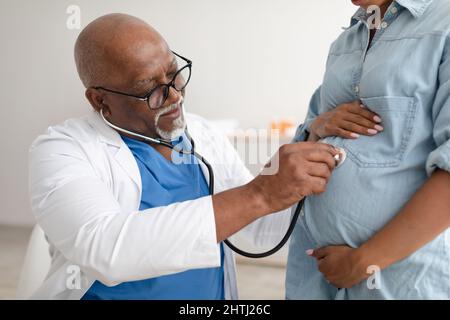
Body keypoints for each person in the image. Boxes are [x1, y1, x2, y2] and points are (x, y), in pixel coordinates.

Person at [29, 13, 339, 300]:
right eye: (149, 88)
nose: (175, 95)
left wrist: (311, 145)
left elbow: (258, 229)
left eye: (174, 73)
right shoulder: (61, 150)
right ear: (100, 100)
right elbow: (107, 251)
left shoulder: (200, 134)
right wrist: (258, 194)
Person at [286, 0, 450, 299]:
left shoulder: (445, 23)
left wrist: (363, 262)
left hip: (402, 280)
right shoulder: (346, 41)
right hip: (316, 278)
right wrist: (319, 124)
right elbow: (308, 137)